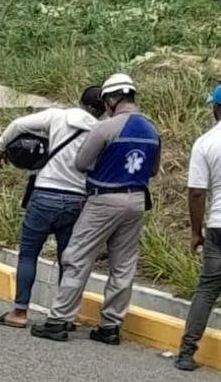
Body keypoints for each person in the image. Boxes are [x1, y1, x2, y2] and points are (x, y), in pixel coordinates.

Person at [32, 73, 161, 344]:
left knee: (77, 256)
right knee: (123, 264)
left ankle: (59, 319)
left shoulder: (105, 128)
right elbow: (153, 169)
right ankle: (110, 326)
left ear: (112, 99)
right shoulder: (152, 130)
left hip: (104, 199)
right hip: (137, 200)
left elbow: (81, 162)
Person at [0, 85, 104, 328]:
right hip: (76, 199)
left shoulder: (58, 116)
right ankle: (63, 315)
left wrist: (0, 149)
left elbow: (19, 125)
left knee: (29, 254)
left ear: (80, 101)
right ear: (103, 109)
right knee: (68, 260)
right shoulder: (100, 130)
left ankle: (19, 313)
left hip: (44, 194)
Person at [175, 85, 221, 371]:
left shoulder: (206, 143)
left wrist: (195, 231)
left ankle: (186, 352)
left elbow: (196, 193)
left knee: (206, 291)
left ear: (216, 108)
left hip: (218, 227)